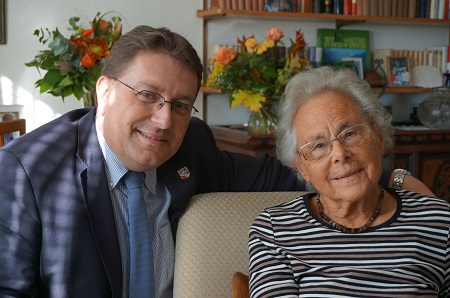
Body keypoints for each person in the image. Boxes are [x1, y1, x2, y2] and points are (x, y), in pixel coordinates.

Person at [0, 26, 432, 297]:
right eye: (148, 94)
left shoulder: (192, 146)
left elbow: (289, 171)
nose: (165, 119)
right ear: (105, 92)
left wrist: (393, 178)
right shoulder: (25, 171)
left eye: (182, 104)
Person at [248, 66, 450, 297]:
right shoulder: (275, 230)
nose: (339, 153)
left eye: (350, 133)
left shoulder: (440, 223)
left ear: (379, 138)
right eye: (319, 145)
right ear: (303, 167)